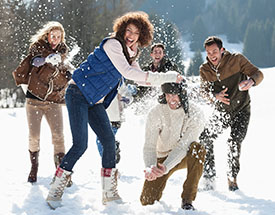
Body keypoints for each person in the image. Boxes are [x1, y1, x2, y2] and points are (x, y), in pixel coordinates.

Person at [46, 11, 183, 209]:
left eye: (136, 32)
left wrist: (167, 77)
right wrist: (167, 77)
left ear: (141, 35)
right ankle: (55, 191)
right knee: (80, 145)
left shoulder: (132, 52)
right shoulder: (113, 44)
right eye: (128, 30)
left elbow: (137, 77)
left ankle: (109, 193)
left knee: (109, 142)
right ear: (121, 29)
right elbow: (127, 72)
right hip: (77, 93)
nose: (131, 35)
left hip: (95, 101)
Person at [199, 36, 264, 191]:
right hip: (222, 112)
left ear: (222, 50)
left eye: (215, 51)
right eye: (208, 52)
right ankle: (209, 177)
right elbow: (203, 91)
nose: (212, 55)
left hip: (242, 110)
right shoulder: (205, 69)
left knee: (234, 142)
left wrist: (251, 82)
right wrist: (214, 95)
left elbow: (258, 73)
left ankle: (232, 178)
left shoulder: (236, 60)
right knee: (205, 138)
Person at [12, 21, 73, 184]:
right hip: (33, 101)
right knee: (34, 136)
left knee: (59, 136)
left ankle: (61, 172)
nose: (55, 39)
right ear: (47, 36)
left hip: (53, 101)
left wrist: (67, 71)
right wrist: (46, 59)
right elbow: (35, 61)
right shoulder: (37, 49)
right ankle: (34, 167)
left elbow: (66, 68)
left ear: (62, 38)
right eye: (53, 36)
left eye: (58, 37)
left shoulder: (63, 54)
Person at [140, 82, 206, 211]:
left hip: (184, 156)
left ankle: (187, 199)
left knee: (198, 149)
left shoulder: (195, 113)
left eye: (175, 95)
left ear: (183, 94)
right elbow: (149, 146)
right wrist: (151, 168)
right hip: (161, 159)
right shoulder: (156, 112)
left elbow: (183, 147)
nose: (171, 99)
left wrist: (166, 167)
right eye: (168, 94)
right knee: (146, 201)